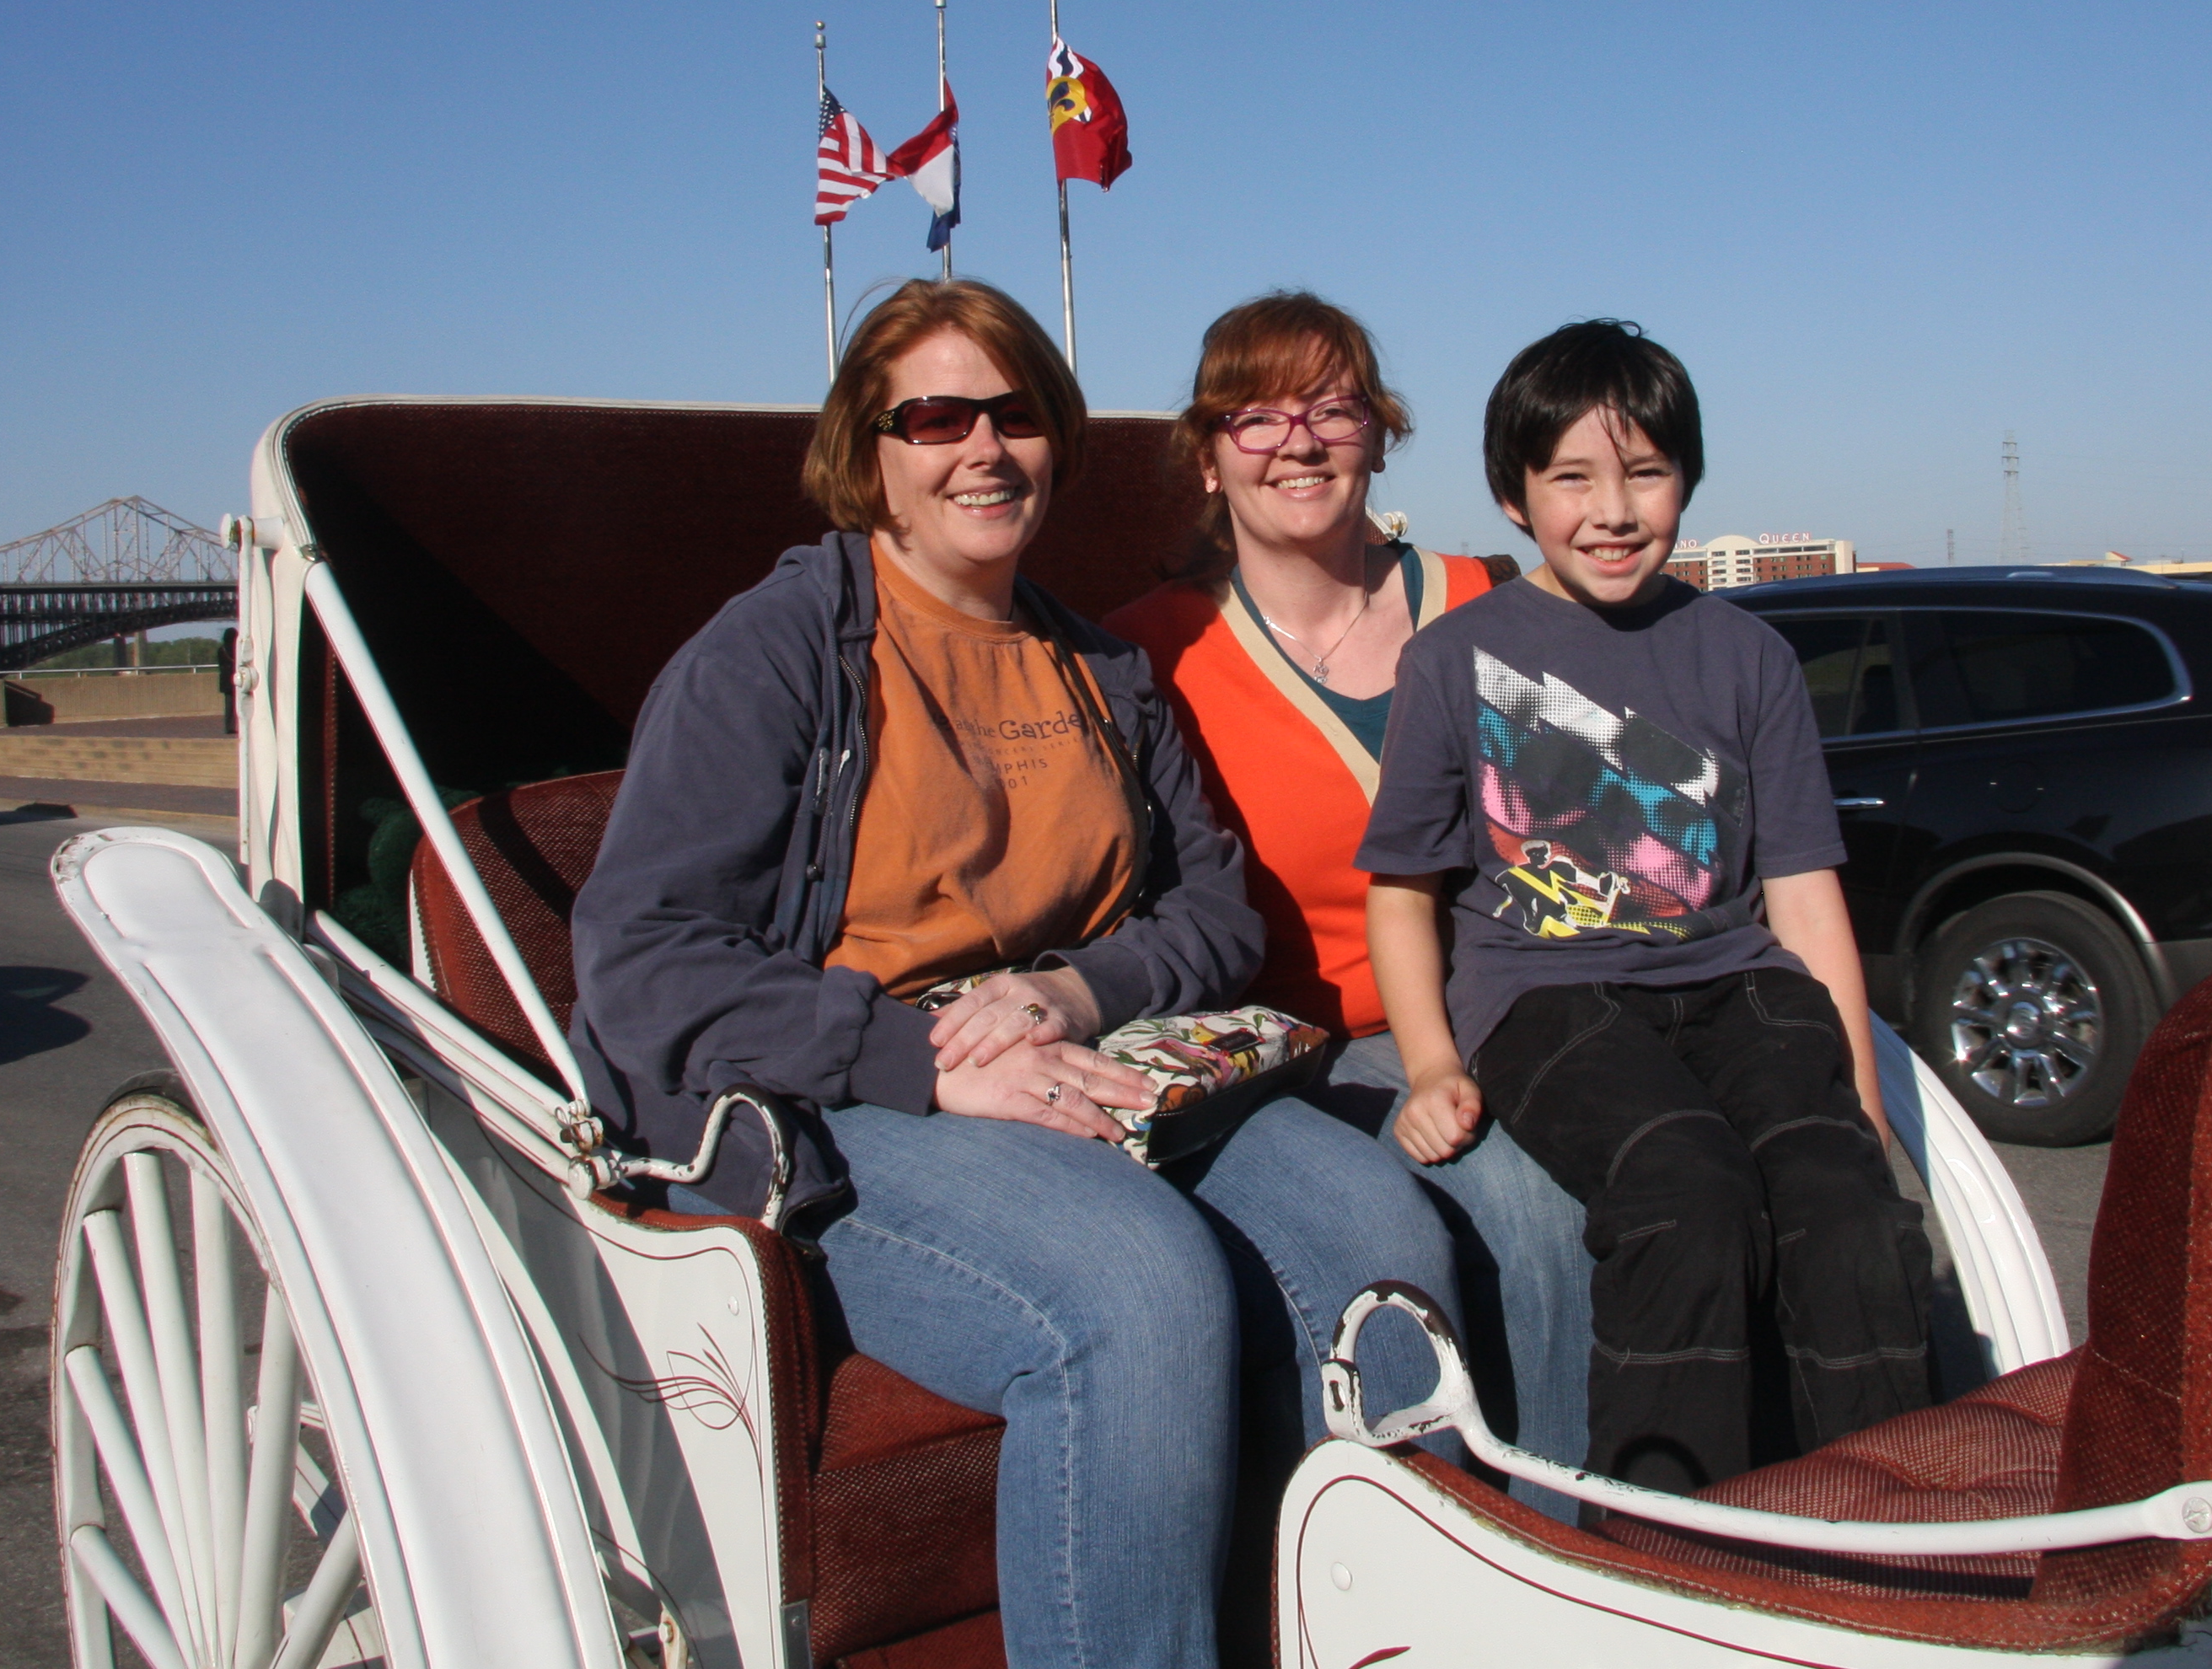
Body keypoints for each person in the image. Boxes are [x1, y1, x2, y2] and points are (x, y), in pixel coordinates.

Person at [566, 278, 1454, 1669]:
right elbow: (644, 957)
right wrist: (921, 1061)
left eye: (1017, 414)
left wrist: (1073, 993)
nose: (983, 447)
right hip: (844, 1091)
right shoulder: (778, 652)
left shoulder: (1095, 663)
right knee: (1137, 1288)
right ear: (869, 452)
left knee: (1377, 1228)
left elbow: (1213, 914)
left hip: (1093, 1055)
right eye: (936, 418)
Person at [1356, 319, 1936, 1496]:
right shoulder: (1453, 660)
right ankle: (1663, 1533)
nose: (1613, 512)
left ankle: (1883, 1523)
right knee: (1687, 1192)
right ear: (1515, 495)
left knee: (1846, 1208)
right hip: (1550, 998)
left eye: (1647, 473)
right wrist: (1430, 1065)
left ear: (1688, 479)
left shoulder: (1750, 655)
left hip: (1738, 987)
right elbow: (1404, 892)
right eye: (1572, 478)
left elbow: (1803, 893)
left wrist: (1864, 1111)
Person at [1106, 292, 1596, 1487]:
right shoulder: (1149, 654)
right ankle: (1474, 1547)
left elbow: (1602, 836)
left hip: (1516, 1009)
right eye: (1257, 414)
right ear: (1209, 455)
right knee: (1530, 1212)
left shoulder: (1491, 600)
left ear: (1379, 434)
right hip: (1315, 1046)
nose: (1300, 440)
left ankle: (1603, 1535)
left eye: (1333, 409)